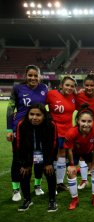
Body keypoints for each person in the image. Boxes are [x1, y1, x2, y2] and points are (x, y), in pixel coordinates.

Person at [6, 65, 48, 201]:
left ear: (40, 76)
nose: (33, 78)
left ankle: (37, 186)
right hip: (20, 129)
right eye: (30, 75)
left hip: (38, 129)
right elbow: (10, 109)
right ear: (26, 76)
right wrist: (9, 129)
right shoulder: (17, 88)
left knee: (38, 159)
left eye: (36, 75)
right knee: (18, 160)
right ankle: (16, 189)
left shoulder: (44, 89)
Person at [16, 104, 58, 212]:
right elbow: (19, 145)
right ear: (28, 114)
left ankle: (52, 200)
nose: (34, 117)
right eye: (32, 114)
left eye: (38, 115)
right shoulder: (22, 124)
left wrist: (48, 162)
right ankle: (27, 199)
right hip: (29, 153)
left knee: (50, 172)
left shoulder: (51, 125)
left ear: (44, 115)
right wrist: (25, 163)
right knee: (24, 172)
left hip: (44, 153)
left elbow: (53, 144)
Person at [64, 107, 94, 210]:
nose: (86, 124)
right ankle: (74, 199)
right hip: (74, 153)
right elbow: (69, 150)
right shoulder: (71, 132)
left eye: (89, 121)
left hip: (88, 152)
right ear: (78, 121)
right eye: (83, 121)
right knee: (71, 172)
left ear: (93, 121)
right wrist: (72, 165)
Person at [46, 75, 76, 192]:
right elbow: (40, 106)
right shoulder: (51, 94)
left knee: (62, 155)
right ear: (61, 85)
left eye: (72, 86)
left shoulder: (73, 96)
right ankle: (53, 183)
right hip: (54, 131)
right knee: (55, 156)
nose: (69, 88)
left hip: (68, 131)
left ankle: (59, 183)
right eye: (67, 85)